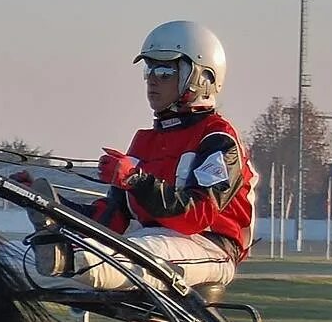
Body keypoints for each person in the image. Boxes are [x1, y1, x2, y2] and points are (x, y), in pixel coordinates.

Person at [24, 20, 253, 293]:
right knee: (17, 260)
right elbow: (112, 221)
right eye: (149, 69)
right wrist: (47, 203)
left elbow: (196, 215)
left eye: (165, 70)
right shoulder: (145, 141)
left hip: (207, 246)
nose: (153, 78)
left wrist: (135, 180)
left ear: (202, 78)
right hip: (149, 241)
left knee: (108, 256)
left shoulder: (218, 139)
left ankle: (67, 257)